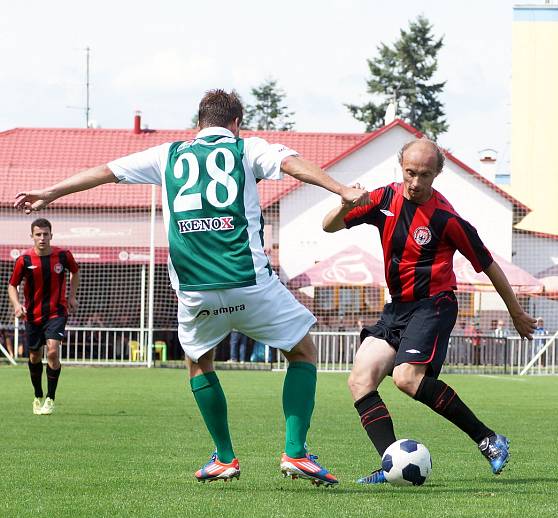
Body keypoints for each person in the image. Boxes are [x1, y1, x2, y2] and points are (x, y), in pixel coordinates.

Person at [13, 89, 369, 484]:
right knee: (302, 351)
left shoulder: (167, 155)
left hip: (195, 290)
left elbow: (105, 172)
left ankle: (225, 458)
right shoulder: (246, 148)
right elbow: (292, 164)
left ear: (198, 124)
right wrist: (341, 190)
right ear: (236, 123)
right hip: (248, 281)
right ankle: (295, 452)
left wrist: (50, 192)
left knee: (198, 362)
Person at [323, 138, 536, 483]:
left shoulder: (445, 218)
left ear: (437, 174)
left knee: (407, 378)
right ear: (401, 168)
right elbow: (328, 225)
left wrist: (515, 313)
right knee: (359, 380)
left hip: (434, 305)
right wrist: (346, 204)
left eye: (425, 174)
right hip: (396, 309)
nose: (416, 182)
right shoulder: (383, 199)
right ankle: (391, 464)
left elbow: (489, 265)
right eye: (410, 173)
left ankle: (489, 439)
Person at [7, 218, 80, 415]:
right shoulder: (24, 260)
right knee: (34, 356)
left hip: (57, 312)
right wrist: (16, 305)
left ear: (51, 235)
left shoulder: (63, 256)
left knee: (53, 352)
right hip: (33, 315)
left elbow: (75, 271)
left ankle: (50, 398)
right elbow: (12, 285)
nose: (42, 238)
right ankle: (38, 394)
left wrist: (72, 296)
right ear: (32, 236)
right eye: (38, 234)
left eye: (45, 234)